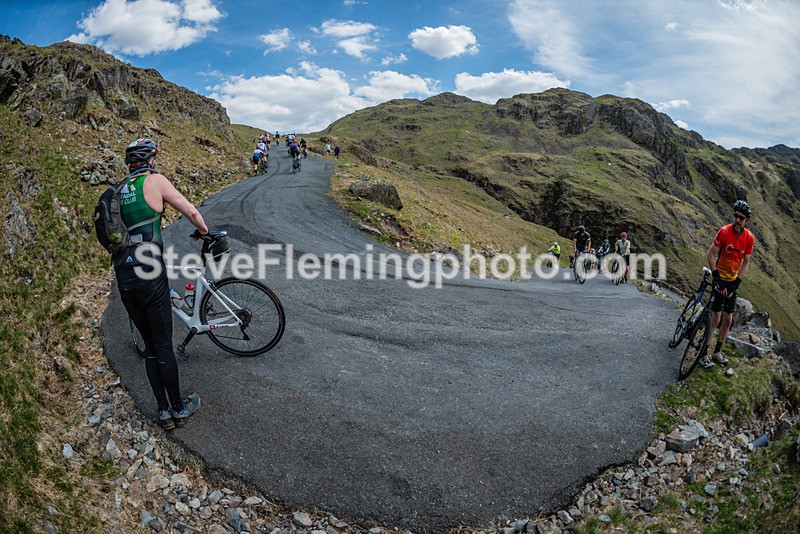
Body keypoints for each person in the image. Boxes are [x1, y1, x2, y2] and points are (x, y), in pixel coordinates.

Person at [117, 138, 207, 430]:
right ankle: (179, 409)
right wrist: (204, 231)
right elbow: (190, 211)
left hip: (124, 274)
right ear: (150, 160)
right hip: (150, 270)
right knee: (164, 343)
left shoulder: (117, 191)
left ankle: (163, 412)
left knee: (150, 347)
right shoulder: (154, 181)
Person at [698, 200, 755, 369]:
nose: (738, 220)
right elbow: (710, 255)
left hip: (731, 282)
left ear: (747, 220)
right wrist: (717, 277)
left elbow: (745, 263)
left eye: (741, 218)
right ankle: (702, 354)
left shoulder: (749, 239)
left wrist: (735, 283)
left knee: (728, 319)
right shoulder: (724, 232)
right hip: (719, 278)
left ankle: (717, 352)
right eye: (736, 216)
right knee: (716, 318)